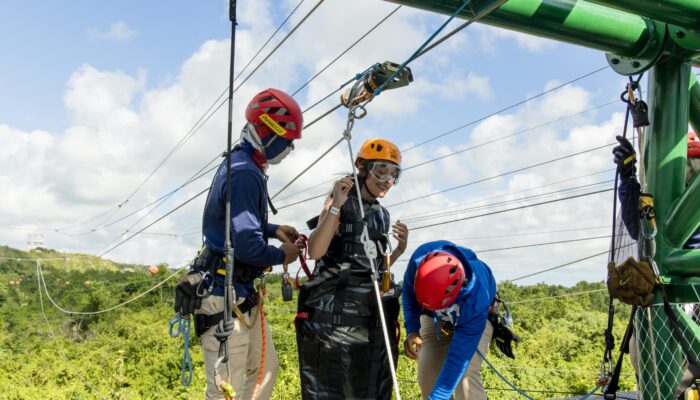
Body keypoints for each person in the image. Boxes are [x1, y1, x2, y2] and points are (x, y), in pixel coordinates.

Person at [174, 88, 304, 400]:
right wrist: (282, 254)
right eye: (287, 141)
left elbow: (234, 223)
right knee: (225, 389)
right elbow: (247, 248)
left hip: (240, 293)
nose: (288, 149)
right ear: (266, 133)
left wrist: (273, 229)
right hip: (223, 296)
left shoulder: (243, 163)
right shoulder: (245, 172)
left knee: (264, 370)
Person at [295, 138, 409, 399]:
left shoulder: (383, 214)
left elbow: (376, 268)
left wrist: (398, 250)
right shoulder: (341, 202)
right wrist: (336, 204)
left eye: (394, 175)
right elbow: (315, 251)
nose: (387, 180)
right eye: (381, 171)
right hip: (332, 321)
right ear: (363, 168)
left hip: (366, 319)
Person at [613, 132, 700, 399]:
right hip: (665, 299)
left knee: (663, 376)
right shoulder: (660, 201)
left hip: (685, 297)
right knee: (654, 368)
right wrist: (628, 178)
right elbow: (638, 224)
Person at [402, 240, 498, 400]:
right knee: (427, 374)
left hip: (471, 315)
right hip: (433, 316)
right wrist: (412, 329)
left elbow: (458, 360)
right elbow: (408, 292)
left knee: (465, 378)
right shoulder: (419, 260)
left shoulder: (475, 301)